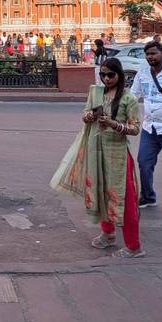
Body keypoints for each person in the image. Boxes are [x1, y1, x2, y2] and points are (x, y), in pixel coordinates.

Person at [51, 58, 144, 258]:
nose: (106, 79)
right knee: (100, 192)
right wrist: (88, 117)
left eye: (111, 75)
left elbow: (135, 129)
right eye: (103, 74)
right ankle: (108, 234)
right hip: (96, 150)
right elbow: (85, 113)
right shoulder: (96, 93)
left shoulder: (128, 98)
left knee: (123, 199)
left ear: (120, 75)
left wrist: (113, 124)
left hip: (117, 155)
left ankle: (134, 246)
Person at [130, 41, 162, 221]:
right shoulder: (142, 74)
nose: (150, 57)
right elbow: (133, 97)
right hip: (149, 127)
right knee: (144, 162)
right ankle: (148, 196)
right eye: (147, 54)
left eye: (153, 53)